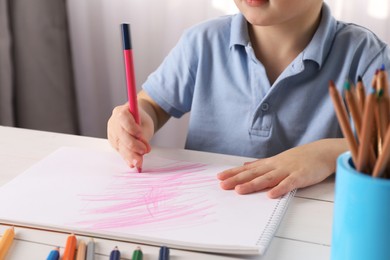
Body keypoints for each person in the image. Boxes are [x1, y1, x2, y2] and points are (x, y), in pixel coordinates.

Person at [107, 0, 390, 198]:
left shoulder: (366, 56)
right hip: (208, 211)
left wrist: (326, 154)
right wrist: (135, 120)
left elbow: (384, 147)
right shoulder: (202, 42)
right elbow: (152, 106)